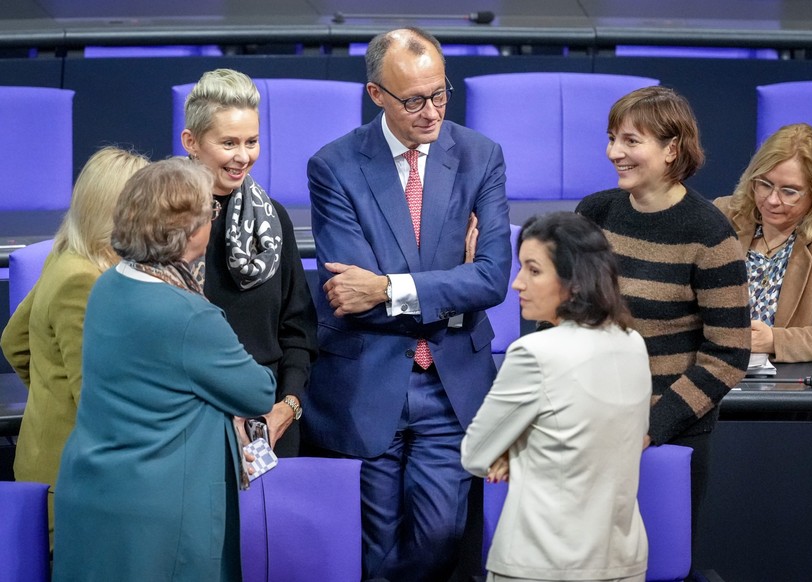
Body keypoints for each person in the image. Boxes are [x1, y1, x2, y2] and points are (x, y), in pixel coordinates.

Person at [304, 27, 511, 581]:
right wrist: (452, 282)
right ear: (377, 95)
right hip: (368, 382)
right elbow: (351, 297)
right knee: (373, 546)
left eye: (440, 94)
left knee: (442, 533)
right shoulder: (334, 166)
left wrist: (389, 286)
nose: (431, 111)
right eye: (414, 100)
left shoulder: (481, 156)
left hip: (451, 382)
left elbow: (492, 279)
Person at [52, 158, 276, 581]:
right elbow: (258, 391)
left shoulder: (109, 283)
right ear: (189, 231)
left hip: (96, 494)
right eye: (209, 211)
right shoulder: (189, 315)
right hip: (162, 518)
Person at [574, 86, 751, 561]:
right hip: (588, 422)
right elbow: (564, 315)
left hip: (666, 432)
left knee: (657, 565)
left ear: (672, 148)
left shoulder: (710, 234)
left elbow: (729, 353)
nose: (614, 152)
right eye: (612, 138)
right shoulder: (594, 214)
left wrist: (651, 425)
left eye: (631, 141)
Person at [462, 212, 651, 582]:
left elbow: (475, 454)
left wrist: (514, 452)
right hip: (622, 562)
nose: (517, 283)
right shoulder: (633, 343)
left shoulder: (534, 352)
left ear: (574, 282)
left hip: (541, 563)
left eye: (533, 270)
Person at [0, 146, 149, 543]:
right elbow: (97, 401)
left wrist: (50, 394)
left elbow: (13, 340)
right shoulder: (86, 282)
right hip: (76, 483)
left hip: (48, 461)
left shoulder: (65, 254)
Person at [181, 68, 317, 457]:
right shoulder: (162, 224)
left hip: (269, 424)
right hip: (189, 424)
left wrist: (286, 407)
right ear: (191, 142)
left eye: (252, 142)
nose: (244, 157)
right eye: (228, 143)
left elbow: (298, 330)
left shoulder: (273, 219)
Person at [714, 122, 812, 362]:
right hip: (712, 367)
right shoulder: (723, 216)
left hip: (783, 384)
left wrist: (775, 341)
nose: (772, 200)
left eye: (789, 192)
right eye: (765, 184)